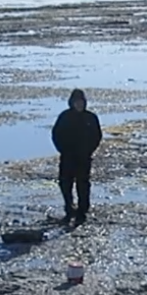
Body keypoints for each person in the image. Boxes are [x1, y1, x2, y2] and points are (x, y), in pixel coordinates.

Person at [51, 88, 103, 225]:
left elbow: (97, 136)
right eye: (76, 102)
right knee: (65, 183)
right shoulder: (65, 117)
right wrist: (62, 150)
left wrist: (89, 151)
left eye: (81, 102)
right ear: (71, 103)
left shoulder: (90, 117)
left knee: (83, 184)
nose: (79, 105)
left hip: (84, 157)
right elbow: (56, 134)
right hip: (67, 156)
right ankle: (69, 208)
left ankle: (82, 211)